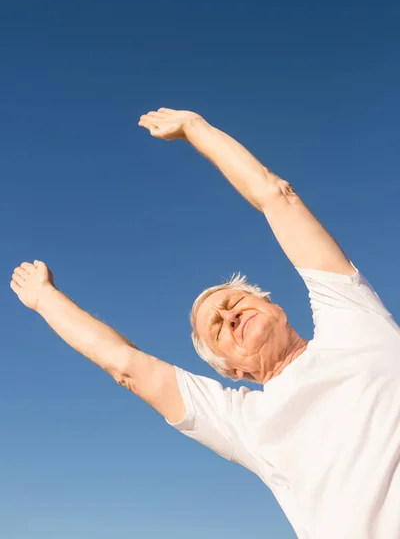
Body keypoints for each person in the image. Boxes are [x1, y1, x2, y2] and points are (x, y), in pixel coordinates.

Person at [11, 108, 400, 539]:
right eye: (218, 329)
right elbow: (127, 365)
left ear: (275, 307)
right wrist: (45, 300)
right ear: (233, 370)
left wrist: (196, 129)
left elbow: (277, 198)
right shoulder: (244, 422)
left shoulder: (352, 319)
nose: (229, 316)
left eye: (234, 302)